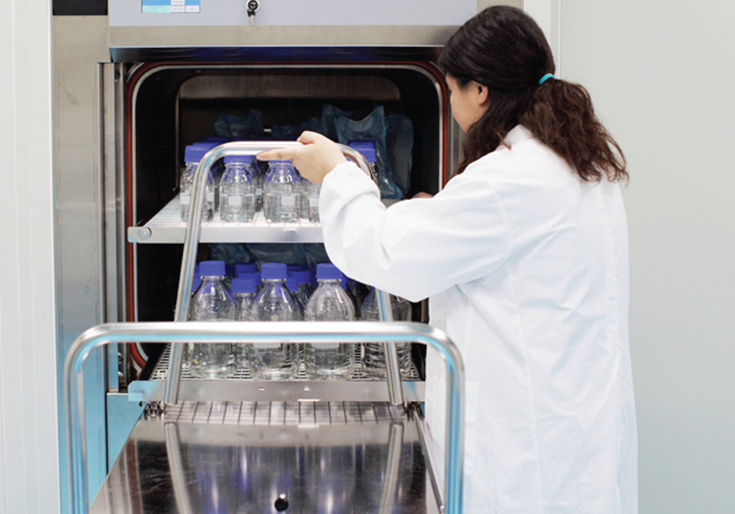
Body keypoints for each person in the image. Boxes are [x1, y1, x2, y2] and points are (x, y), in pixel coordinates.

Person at [258, 6, 637, 513]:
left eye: (452, 89)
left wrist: (335, 173)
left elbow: (388, 255)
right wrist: (435, 213)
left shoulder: (507, 181)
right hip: (572, 434)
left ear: (479, 91)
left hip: (524, 461)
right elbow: (506, 245)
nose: (451, 102)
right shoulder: (578, 165)